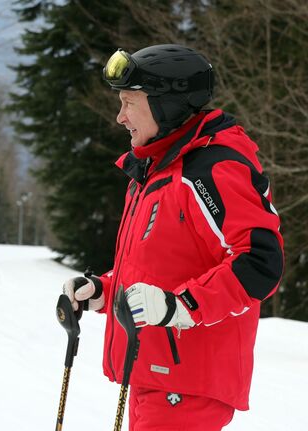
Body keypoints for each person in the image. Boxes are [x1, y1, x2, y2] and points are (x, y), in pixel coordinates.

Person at [62, 44, 283, 430]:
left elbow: (261, 263)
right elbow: (161, 270)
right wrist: (104, 292)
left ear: (167, 104)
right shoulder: (156, 171)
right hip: (155, 374)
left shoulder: (211, 168)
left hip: (187, 386)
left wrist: (181, 306)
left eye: (130, 102)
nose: (120, 117)